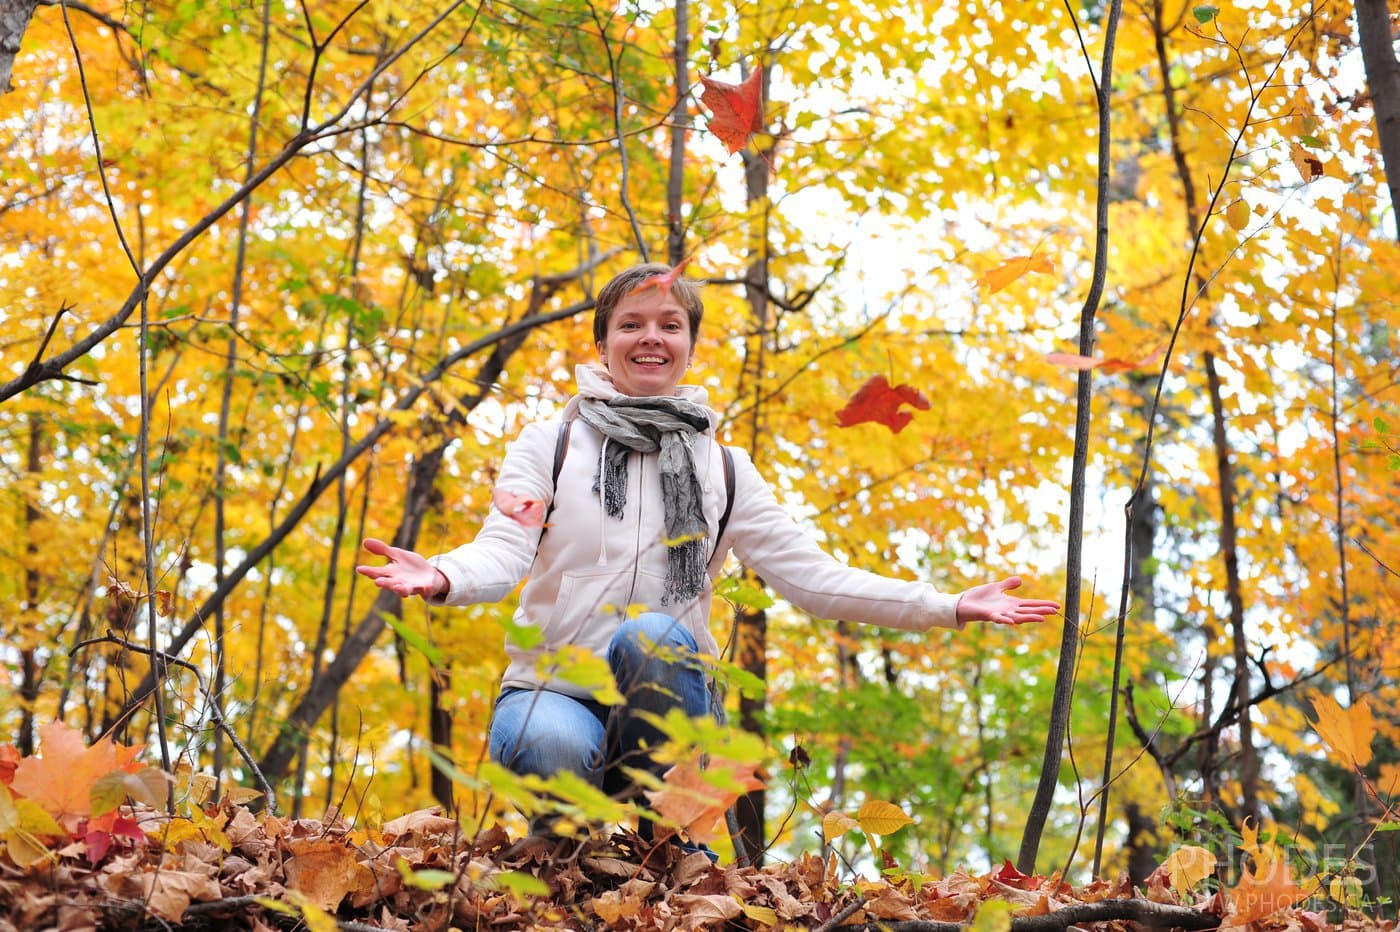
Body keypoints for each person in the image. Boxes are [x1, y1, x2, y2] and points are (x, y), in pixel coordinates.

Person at [356, 263, 1059, 847]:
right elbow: (504, 552)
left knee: (654, 635)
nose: (650, 339)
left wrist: (948, 605)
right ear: (603, 343)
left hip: (670, 699)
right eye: (631, 324)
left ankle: (674, 848)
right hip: (554, 690)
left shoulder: (724, 470)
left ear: (691, 345)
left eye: (670, 325)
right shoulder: (551, 444)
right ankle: (572, 863)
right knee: (553, 749)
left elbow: (812, 580)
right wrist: (445, 572)